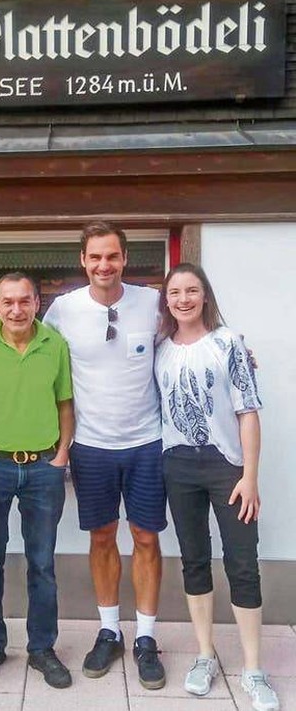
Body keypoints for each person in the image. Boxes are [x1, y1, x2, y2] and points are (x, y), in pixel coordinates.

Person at [43, 221, 166, 690]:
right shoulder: (63, 310)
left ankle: (147, 639)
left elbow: (190, 336)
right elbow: (34, 357)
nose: (103, 265)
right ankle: (110, 630)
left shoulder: (153, 303)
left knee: (148, 539)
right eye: (95, 257)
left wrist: (236, 350)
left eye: (111, 256)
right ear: (83, 261)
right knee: (101, 538)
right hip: (90, 445)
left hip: (146, 442)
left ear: (125, 259)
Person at [155, 262, 279, 711]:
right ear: (166, 301)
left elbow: (248, 412)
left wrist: (249, 475)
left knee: (243, 564)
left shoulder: (229, 344)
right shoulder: (159, 348)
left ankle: (253, 669)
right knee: (194, 561)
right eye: (174, 293)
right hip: (177, 466)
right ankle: (205, 655)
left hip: (227, 467)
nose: (183, 299)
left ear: (205, 296)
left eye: (191, 290)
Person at [0, 272, 74, 689]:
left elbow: (65, 402)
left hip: (43, 467)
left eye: (24, 301)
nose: (16, 309)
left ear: (37, 303)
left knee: (42, 563)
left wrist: (61, 455)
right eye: (7, 302)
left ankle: (42, 648)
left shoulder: (54, 345)